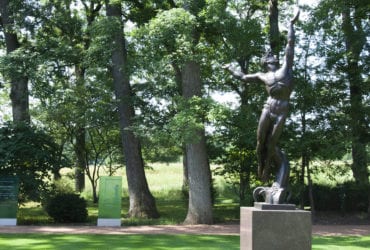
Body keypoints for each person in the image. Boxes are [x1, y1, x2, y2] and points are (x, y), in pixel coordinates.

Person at [223, 11, 299, 204]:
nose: (273, 57)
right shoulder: (262, 76)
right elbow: (243, 77)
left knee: (272, 144)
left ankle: (267, 169)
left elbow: (290, 46)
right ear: (266, 63)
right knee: (260, 141)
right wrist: (230, 69)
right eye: (269, 57)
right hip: (268, 108)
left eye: (273, 56)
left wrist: (291, 24)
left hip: (281, 111)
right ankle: (260, 163)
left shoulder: (285, 70)